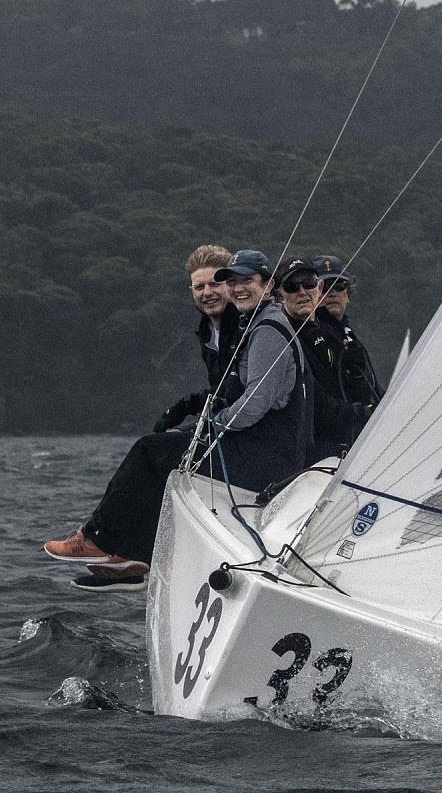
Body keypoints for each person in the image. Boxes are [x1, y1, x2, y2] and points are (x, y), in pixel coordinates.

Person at [43, 250, 311, 591]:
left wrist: (210, 426)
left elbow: (255, 402)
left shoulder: (269, 329)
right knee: (162, 453)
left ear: (268, 285)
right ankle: (132, 559)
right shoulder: (254, 324)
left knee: (150, 452)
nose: (239, 288)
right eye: (235, 281)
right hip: (262, 449)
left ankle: (96, 540)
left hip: (267, 459)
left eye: (248, 281)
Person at [276, 257, 372, 461]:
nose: (302, 292)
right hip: (313, 451)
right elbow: (316, 402)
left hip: (345, 443)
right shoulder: (284, 334)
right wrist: (362, 414)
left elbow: (354, 388)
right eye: (292, 286)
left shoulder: (338, 333)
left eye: (340, 285)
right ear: (280, 294)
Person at [152, 244, 239, 432]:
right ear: (192, 292)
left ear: (231, 285)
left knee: (150, 447)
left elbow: (237, 392)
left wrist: (186, 407)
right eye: (199, 287)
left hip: (251, 429)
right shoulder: (207, 331)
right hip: (225, 424)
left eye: (215, 284)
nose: (207, 293)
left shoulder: (247, 327)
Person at [312, 254, 383, 409]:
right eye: (324, 287)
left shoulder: (347, 331)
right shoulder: (312, 334)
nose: (332, 293)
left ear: (348, 292)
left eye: (339, 285)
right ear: (312, 293)